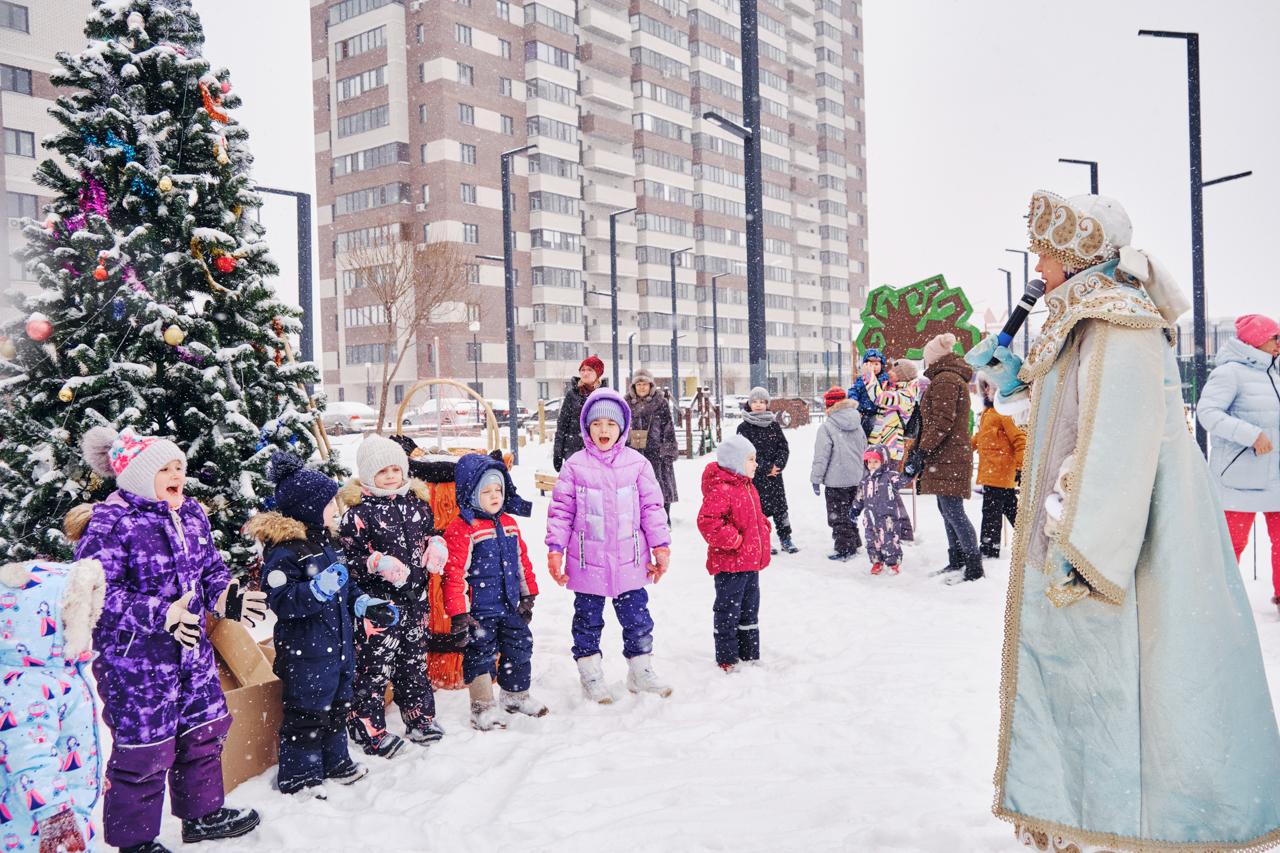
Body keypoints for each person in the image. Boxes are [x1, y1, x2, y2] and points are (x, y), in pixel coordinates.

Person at [969, 189, 1280, 851]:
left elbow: (1116, 438)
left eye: (1048, 250)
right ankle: (1086, 816)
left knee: (1120, 684)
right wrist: (1014, 378)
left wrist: (1080, 543)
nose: (1038, 262)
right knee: (1090, 686)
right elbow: (1065, 415)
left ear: (1080, 254)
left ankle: (1115, 823)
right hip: (1090, 531)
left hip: (1115, 542)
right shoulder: (1088, 318)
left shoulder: (1118, 320)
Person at [76, 426, 265, 852]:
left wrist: (225, 596)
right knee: (145, 750)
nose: (177, 473)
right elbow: (96, 593)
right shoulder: (112, 523)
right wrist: (161, 615)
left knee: (204, 729)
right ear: (140, 476)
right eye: (165, 468)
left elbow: (210, 569)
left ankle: (202, 815)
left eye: (179, 465)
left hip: (191, 651)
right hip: (136, 661)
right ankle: (135, 840)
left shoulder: (192, 513)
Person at [249, 452, 398, 800]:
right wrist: (314, 590)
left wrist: (364, 603)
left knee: (336, 708)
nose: (336, 507)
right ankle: (300, 776)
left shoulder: (325, 543)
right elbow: (281, 600)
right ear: (306, 507)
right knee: (307, 714)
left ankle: (334, 761)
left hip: (338, 649)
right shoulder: (284, 553)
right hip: (307, 654)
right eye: (330, 502)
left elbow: (345, 587)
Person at [545, 388, 673, 703]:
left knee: (638, 620)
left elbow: (652, 510)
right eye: (597, 423)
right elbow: (561, 512)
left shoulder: (637, 464)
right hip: (588, 563)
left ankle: (640, 672)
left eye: (611, 424)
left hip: (630, 561)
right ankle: (590, 675)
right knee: (587, 621)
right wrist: (555, 550)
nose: (604, 430)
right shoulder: (575, 466)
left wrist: (661, 547)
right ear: (587, 427)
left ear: (622, 428)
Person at [337, 434, 450, 756]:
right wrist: (375, 562)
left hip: (415, 602)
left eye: (395, 470)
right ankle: (366, 725)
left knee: (413, 664)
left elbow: (430, 533)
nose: (390, 477)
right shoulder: (358, 514)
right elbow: (346, 559)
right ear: (368, 476)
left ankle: (420, 718)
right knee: (374, 668)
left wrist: (436, 545)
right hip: (379, 609)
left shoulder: (417, 505)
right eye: (382, 472)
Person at [0, 557, 104, 853]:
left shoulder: (61, 673)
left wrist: (91, 772)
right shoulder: (25, 685)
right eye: (80, 618)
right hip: (38, 826)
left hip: (64, 813)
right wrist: (52, 810)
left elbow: (68, 738)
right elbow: (30, 756)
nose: (89, 625)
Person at [442, 453, 547, 730]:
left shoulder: (509, 524)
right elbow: (455, 575)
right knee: (480, 655)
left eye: (498, 490)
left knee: (520, 648)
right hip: (479, 612)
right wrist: (460, 614)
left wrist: (528, 595)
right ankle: (482, 707)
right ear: (471, 494)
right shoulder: (462, 529)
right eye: (486, 491)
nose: (494, 496)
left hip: (510, 606)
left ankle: (515, 696)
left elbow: (522, 561)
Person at [1197, 314, 1280, 606]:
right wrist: (1252, 434)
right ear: (1256, 340)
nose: (1279, 344)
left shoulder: (1275, 373)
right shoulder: (1230, 373)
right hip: (1240, 477)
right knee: (1231, 545)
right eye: (1275, 337)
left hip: (1275, 476)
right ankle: (1218, 602)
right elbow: (1207, 413)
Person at [696, 435, 771, 673]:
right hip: (730, 565)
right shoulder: (722, 490)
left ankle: (749, 654)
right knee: (728, 611)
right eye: (751, 459)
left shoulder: (748, 487)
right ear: (736, 462)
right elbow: (708, 522)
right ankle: (727, 657)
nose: (755, 464)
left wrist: (764, 527)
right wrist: (734, 539)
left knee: (750, 610)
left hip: (749, 564)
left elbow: (752, 518)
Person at [916, 333, 981, 584]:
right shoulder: (948, 378)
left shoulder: (945, 380)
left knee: (953, 511)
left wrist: (923, 449)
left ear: (934, 359)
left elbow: (942, 421)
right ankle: (957, 560)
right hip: (947, 454)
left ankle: (973, 567)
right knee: (947, 509)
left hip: (948, 455)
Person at [736, 387, 797, 554]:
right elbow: (743, 453)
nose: (758, 405)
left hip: (775, 477)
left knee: (780, 509)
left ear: (767, 404)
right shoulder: (743, 428)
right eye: (754, 401)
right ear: (749, 404)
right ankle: (762, 539)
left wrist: (778, 465)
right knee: (758, 510)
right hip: (755, 477)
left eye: (762, 402)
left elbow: (783, 448)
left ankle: (786, 538)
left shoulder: (774, 426)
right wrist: (765, 468)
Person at [810, 386, 866, 561]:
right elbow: (864, 449)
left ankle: (844, 548)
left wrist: (816, 478)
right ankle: (854, 541)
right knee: (850, 512)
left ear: (829, 406)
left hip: (836, 481)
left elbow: (822, 456)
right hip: (856, 478)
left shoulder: (826, 427)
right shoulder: (858, 425)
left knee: (837, 516)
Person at [972, 377, 1025, 559]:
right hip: (991, 472)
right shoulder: (987, 413)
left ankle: (989, 548)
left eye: (993, 388)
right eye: (986, 388)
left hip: (1001, 472)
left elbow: (1019, 440)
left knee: (991, 512)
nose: (989, 391)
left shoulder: (1004, 414)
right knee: (1011, 510)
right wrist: (964, 447)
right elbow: (981, 437)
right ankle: (1030, 540)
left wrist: (1020, 467)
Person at [625, 368, 680, 521]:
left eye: (645, 384)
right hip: (633, 451)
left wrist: (667, 449)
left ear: (651, 385)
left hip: (656, 451)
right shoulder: (626, 403)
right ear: (634, 386)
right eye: (639, 384)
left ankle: (664, 516)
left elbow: (668, 427)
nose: (642, 387)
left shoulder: (660, 402)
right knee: (635, 485)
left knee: (660, 484)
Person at [852, 445, 914, 576]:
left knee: (890, 540)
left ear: (883, 461)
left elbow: (902, 480)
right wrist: (855, 509)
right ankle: (877, 561)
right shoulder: (865, 481)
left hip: (888, 518)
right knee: (872, 541)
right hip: (870, 519)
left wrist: (909, 473)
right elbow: (860, 497)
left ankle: (893, 563)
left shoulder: (890, 477)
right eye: (869, 462)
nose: (872, 465)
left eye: (876, 461)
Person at [553, 355, 606, 472]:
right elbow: (562, 424)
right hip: (573, 449)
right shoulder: (572, 395)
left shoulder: (605, 394)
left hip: (599, 449)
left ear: (598, 373)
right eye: (583, 370)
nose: (585, 373)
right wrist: (558, 451)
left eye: (590, 370)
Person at [869, 359, 921, 464]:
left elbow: (879, 397)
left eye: (894, 370)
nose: (889, 372)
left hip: (890, 449)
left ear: (902, 376)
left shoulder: (906, 395)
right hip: (878, 447)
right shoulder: (893, 388)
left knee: (885, 479)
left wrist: (868, 376)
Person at [847, 348, 886, 438]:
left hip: (879, 414)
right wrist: (855, 404)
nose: (874, 367)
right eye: (870, 364)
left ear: (882, 365)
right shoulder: (861, 380)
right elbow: (854, 391)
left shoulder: (884, 380)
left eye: (876, 364)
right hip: (864, 413)